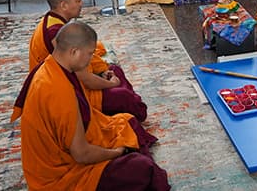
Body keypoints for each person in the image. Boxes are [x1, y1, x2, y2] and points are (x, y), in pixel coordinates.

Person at [19, 22, 170, 191]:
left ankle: (131, 156)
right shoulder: (58, 90)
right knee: (143, 169)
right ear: (74, 52)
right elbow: (81, 154)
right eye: (90, 54)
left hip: (71, 150)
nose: (92, 58)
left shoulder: (51, 66)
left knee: (128, 122)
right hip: (60, 178)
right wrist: (116, 153)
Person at [15, 0, 148, 122]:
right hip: (68, 94)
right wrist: (111, 85)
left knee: (115, 71)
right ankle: (122, 105)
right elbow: (83, 78)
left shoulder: (53, 20)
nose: (81, 4)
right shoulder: (54, 33)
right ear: (63, 5)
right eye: (77, 0)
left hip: (74, 81)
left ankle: (122, 103)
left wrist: (102, 72)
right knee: (126, 98)